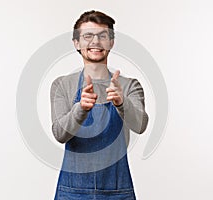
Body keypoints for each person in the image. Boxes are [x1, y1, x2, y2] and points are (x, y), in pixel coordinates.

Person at [50, 10, 149, 200]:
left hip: (118, 191)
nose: (95, 42)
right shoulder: (62, 85)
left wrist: (121, 103)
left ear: (111, 42)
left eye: (102, 36)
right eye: (88, 36)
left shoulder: (129, 85)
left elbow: (140, 126)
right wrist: (80, 109)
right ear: (76, 43)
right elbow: (60, 134)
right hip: (72, 193)